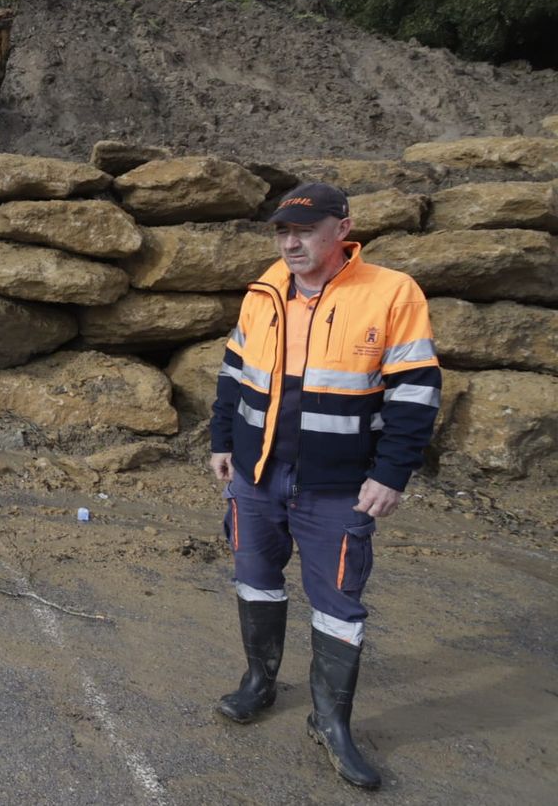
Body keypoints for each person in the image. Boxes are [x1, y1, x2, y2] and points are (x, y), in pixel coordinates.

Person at [208, 181, 441, 790]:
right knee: (255, 578)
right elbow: (234, 372)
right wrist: (221, 441)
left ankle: (330, 721)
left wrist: (390, 474)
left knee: (338, 602)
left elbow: (416, 393)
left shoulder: (391, 292)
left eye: (305, 231)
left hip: (338, 487)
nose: (291, 243)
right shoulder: (265, 289)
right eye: (283, 232)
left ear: (343, 230)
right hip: (257, 474)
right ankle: (259, 682)